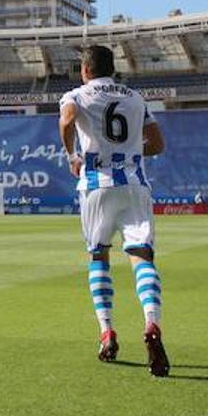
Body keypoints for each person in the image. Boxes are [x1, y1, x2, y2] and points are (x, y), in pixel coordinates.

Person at [59, 44, 169, 377]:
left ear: (85, 70)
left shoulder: (75, 95)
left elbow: (66, 123)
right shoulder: (136, 98)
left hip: (95, 183)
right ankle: (151, 322)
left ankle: (106, 331)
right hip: (134, 183)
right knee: (141, 256)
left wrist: (72, 157)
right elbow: (158, 144)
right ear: (113, 68)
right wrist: (132, 149)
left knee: (99, 257)